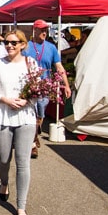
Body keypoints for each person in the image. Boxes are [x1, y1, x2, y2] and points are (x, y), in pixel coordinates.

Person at [0, 29, 38, 215]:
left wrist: (28, 100)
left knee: (23, 162)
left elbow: (38, 88)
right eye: (7, 42)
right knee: (3, 159)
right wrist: (5, 100)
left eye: (14, 43)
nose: (9, 46)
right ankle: (4, 182)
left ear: (22, 45)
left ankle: (21, 206)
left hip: (25, 117)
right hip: (4, 115)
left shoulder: (31, 63)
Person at [22, 19, 71, 158]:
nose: (44, 32)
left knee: (40, 116)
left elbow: (59, 67)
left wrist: (66, 85)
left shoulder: (51, 48)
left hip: (45, 88)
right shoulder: (26, 47)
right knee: (31, 115)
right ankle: (32, 145)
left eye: (46, 30)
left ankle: (35, 134)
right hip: (29, 87)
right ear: (34, 30)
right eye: (42, 29)